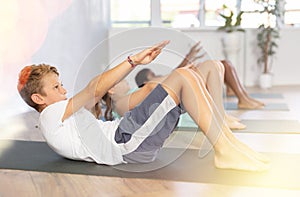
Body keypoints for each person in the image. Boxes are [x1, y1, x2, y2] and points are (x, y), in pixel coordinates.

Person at [17, 40, 269, 171]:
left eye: (61, 85)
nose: (63, 90)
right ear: (39, 99)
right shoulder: (50, 115)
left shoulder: (59, 115)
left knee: (187, 75)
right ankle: (225, 151)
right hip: (126, 142)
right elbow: (94, 88)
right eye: (56, 88)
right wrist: (133, 61)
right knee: (183, 76)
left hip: (126, 131)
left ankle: (230, 145)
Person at [136, 42, 265, 110]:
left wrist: (190, 58)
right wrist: (189, 56)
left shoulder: (159, 80)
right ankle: (243, 98)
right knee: (224, 64)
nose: (155, 74)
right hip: (189, 88)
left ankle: (245, 97)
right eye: (151, 74)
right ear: (145, 81)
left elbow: (176, 73)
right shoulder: (150, 86)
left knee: (225, 64)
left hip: (189, 82)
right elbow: (176, 72)